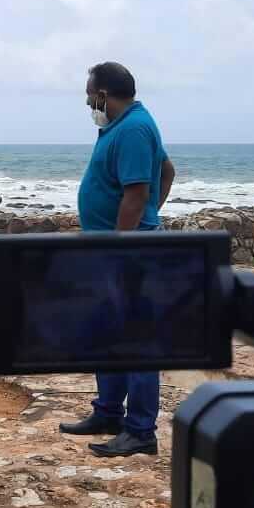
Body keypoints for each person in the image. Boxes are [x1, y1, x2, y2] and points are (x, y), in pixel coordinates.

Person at [60, 62, 177, 458]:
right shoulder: (120, 126)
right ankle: (109, 412)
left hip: (128, 253)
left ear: (103, 94)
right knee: (107, 334)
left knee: (137, 341)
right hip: (112, 248)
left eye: (89, 94)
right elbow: (167, 170)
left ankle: (140, 430)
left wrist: (125, 242)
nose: (87, 102)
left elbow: (136, 193)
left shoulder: (134, 129)